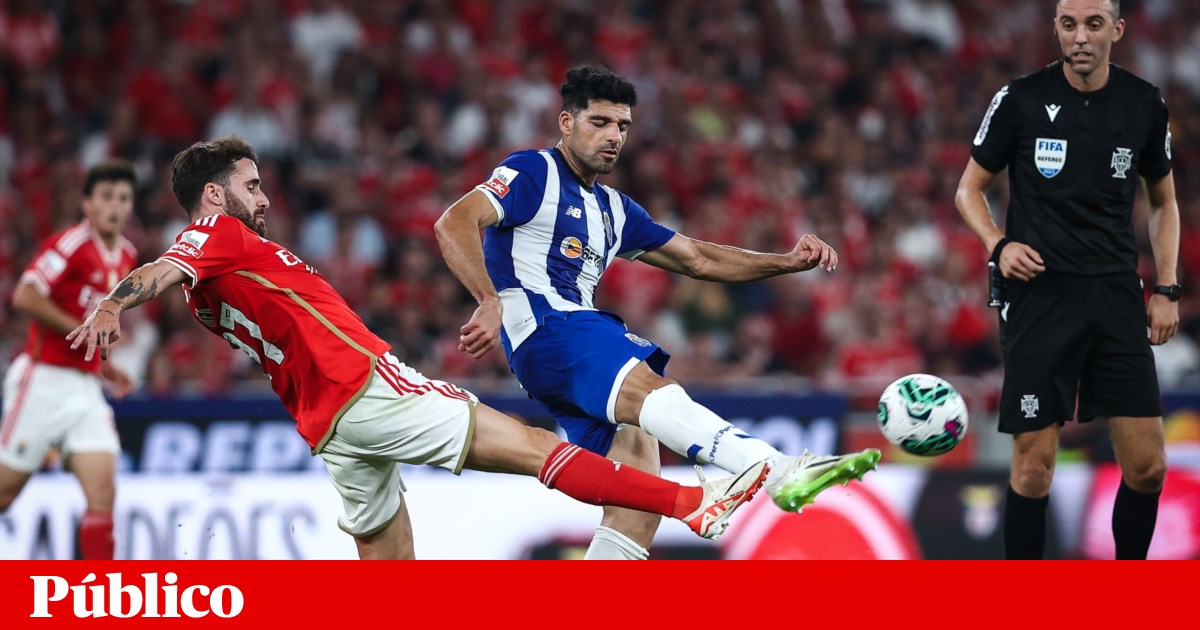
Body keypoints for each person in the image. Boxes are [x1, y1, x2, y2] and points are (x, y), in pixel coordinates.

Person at [67, 135, 769, 560]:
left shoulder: (216, 282)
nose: (266, 200)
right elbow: (162, 266)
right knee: (531, 449)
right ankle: (690, 505)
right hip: (367, 385)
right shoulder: (215, 236)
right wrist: (110, 302)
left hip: (326, 424)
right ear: (215, 195)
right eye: (253, 186)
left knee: (385, 556)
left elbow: (182, 278)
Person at [436, 65, 881, 560]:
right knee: (652, 388)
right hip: (550, 329)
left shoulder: (615, 209)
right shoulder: (533, 172)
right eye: (599, 122)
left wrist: (786, 262)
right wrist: (488, 299)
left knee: (639, 486)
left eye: (622, 127)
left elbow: (698, 258)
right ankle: (777, 470)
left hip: (560, 348)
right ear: (566, 122)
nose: (612, 137)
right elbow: (454, 221)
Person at [955, 0, 1178, 559]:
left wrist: (1168, 287)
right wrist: (998, 245)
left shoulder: (1144, 103)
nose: (1080, 36)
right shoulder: (1021, 98)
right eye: (1069, 24)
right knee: (1034, 469)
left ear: (1117, 31)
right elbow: (968, 189)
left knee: (1148, 468)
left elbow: (1164, 202)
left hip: (1115, 294)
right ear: (1056, 28)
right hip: (1040, 299)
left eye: (1094, 24)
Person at [0, 161, 139, 559]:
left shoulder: (127, 255)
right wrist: (83, 328)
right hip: (42, 381)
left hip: (84, 388)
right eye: (107, 197)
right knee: (4, 494)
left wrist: (107, 366)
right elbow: (25, 295)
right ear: (87, 204)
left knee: (103, 492)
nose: (115, 206)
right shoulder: (71, 244)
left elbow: (93, 323)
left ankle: (97, 602)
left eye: (123, 198)